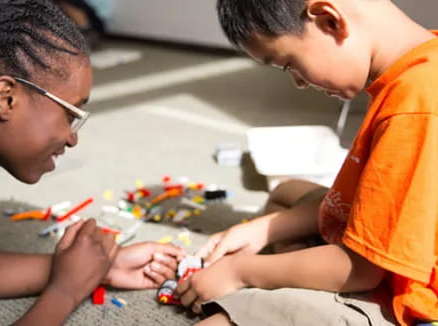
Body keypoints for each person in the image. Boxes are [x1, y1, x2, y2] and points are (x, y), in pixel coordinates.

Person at [0, 1, 184, 325]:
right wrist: (65, 291)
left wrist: (100, 266)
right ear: (6, 98)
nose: (73, 138)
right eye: (70, 114)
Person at [174, 0, 438, 325]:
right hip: (388, 249)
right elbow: (365, 199)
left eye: (289, 64)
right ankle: (303, 268)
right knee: (288, 191)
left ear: (329, 21)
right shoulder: (420, 64)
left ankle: (304, 279)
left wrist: (240, 272)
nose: (298, 82)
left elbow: (362, 269)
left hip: (404, 289)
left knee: (221, 322)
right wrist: (259, 231)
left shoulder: (418, 105)